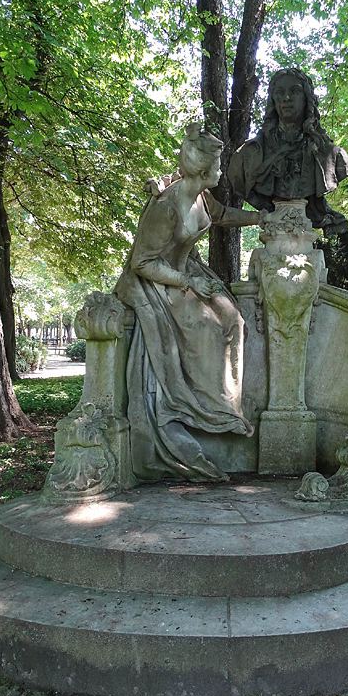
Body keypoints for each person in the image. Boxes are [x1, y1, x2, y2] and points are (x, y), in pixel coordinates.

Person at [115, 123, 262, 483]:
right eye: (218, 163)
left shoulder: (201, 197)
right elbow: (142, 262)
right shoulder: (166, 206)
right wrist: (187, 282)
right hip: (159, 281)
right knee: (206, 328)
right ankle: (198, 406)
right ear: (202, 168)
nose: (221, 169)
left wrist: (263, 218)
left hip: (188, 273)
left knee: (233, 320)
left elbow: (224, 215)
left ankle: (225, 404)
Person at [228, 67, 348, 237]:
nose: (286, 98)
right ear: (273, 99)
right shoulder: (247, 155)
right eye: (280, 92)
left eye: (294, 91)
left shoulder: (332, 156)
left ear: (306, 99)